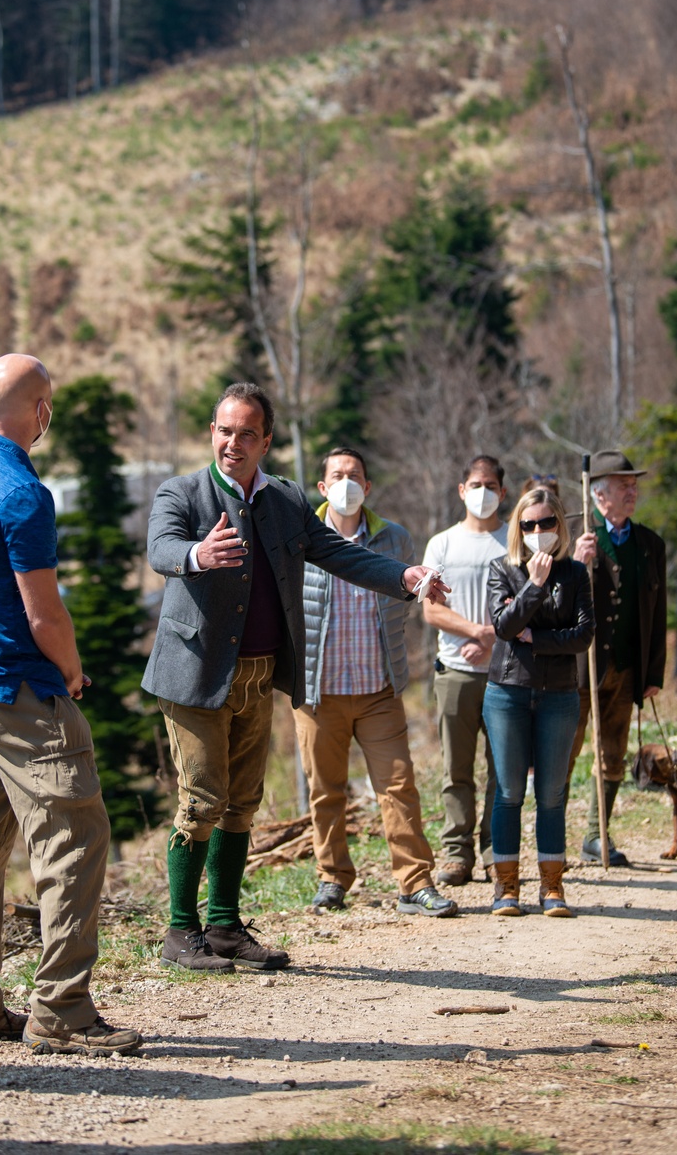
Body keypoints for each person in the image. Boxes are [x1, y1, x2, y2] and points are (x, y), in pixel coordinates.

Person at [144, 383, 450, 972]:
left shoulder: (284, 501)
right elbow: (161, 546)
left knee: (241, 803)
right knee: (202, 800)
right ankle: (182, 933)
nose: (233, 443)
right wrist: (196, 557)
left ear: (266, 440)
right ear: (213, 432)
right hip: (196, 675)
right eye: (224, 430)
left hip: (260, 677)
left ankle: (227, 928)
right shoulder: (180, 492)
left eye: (246, 434)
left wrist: (404, 575)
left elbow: (340, 552)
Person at [0, 354, 141, 1057]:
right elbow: (44, 613)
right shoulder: (22, 493)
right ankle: (64, 1011)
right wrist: (72, 674)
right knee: (75, 838)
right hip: (17, 692)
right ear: (40, 409)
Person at [296, 447, 456, 918]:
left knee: (398, 785)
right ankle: (332, 878)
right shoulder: (302, 539)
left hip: (378, 689)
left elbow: (407, 604)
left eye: (355, 476)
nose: (346, 482)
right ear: (322, 488)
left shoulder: (395, 540)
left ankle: (415, 882)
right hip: (316, 691)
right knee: (326, 790)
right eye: (336, 476)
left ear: (367, 488)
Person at [483, 485, 595, 917]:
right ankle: (506, 887)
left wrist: (539, 638)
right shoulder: (502, 569)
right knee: (509, 791)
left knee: (551, 793)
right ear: (518, 528)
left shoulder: (576, 574)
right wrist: (533, 584)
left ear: (560, 525)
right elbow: (506, 628)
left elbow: (583, 636)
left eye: (546, 522)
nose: (538, 530)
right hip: (508, 692)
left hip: (560, 695)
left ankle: (552, 886)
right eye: (528, 524)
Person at [567, 450, 667, 866]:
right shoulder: (573, 532)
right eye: (624, 486)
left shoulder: (649, 544)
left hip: (625, 669)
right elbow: (546, 597)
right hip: (575, 668)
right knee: (563, 753)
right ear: (598, 494)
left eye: (634, 485)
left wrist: (653, 670)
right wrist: (575, 563)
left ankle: (596, 835)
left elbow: (656, 612)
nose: (633, 492)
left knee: (613, 754)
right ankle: (549, 840)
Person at [422, 455, 508, 888]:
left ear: (503, 492)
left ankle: (498, 853)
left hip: (507, 673)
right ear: (461, 490)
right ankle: (457, 853)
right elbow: (431, 609)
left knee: (502, 770)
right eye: (476, 484)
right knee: (456, 770)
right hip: (455, 671)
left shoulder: (515, 540)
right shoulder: (442, 544)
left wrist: (495, 637)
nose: (483, 492)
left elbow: (529, 602)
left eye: (491, 485)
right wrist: (476, 631)